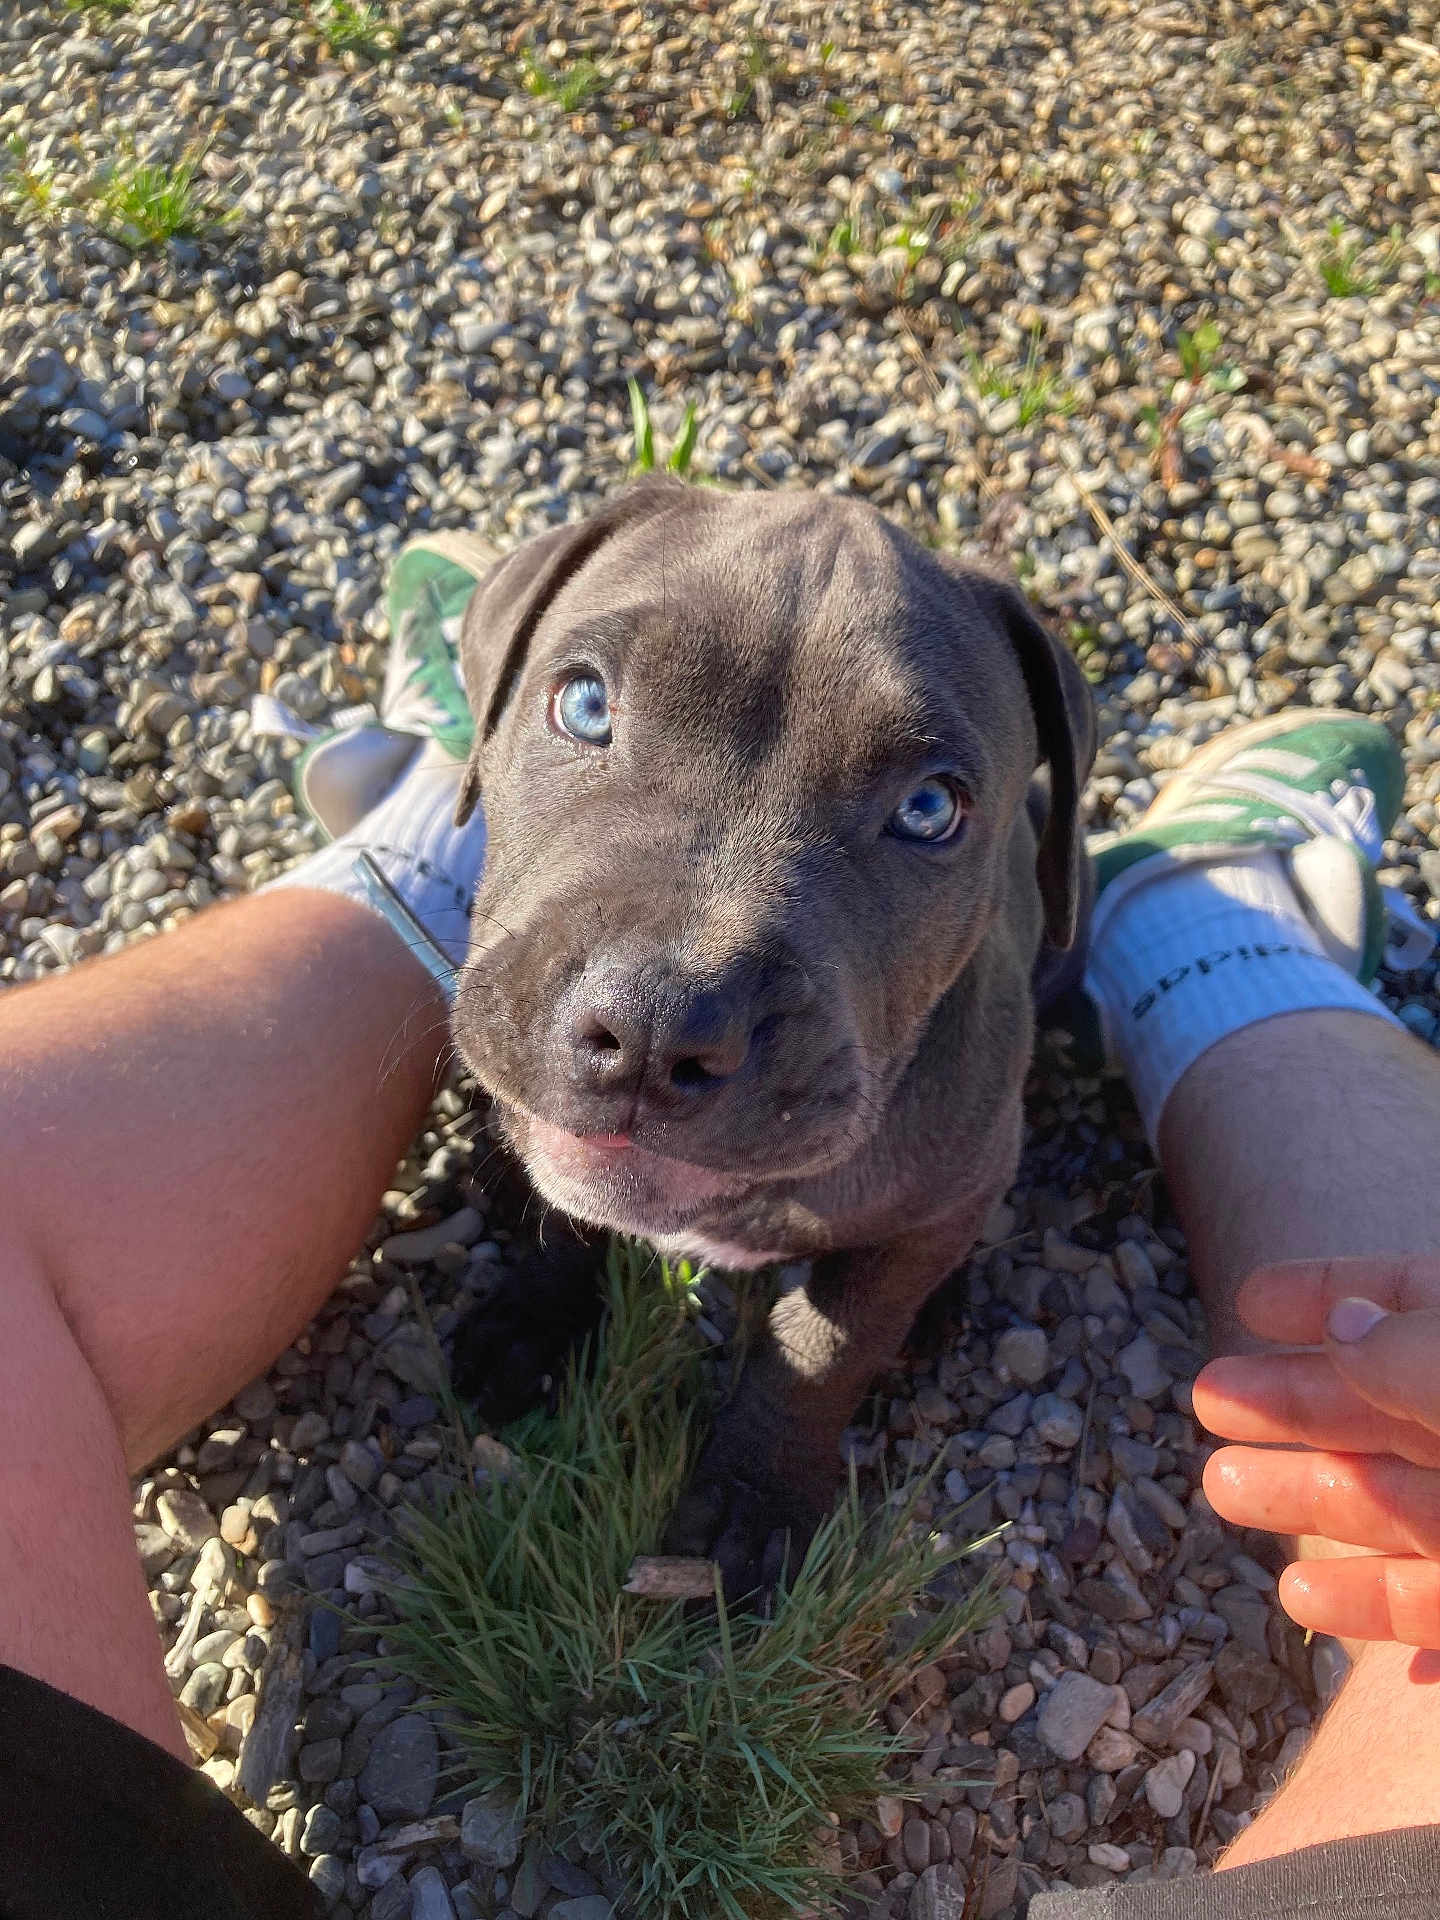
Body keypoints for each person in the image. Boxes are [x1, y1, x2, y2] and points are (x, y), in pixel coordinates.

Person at [2, 536, 1439, 1920]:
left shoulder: (940, 1111)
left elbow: (936, 1214)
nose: (668, 997)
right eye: (586, 705)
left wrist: (779, 1443)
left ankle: (1170, 916)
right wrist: (560, 1267)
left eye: (928, 805)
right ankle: (1218, 940)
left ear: (1033, 843)